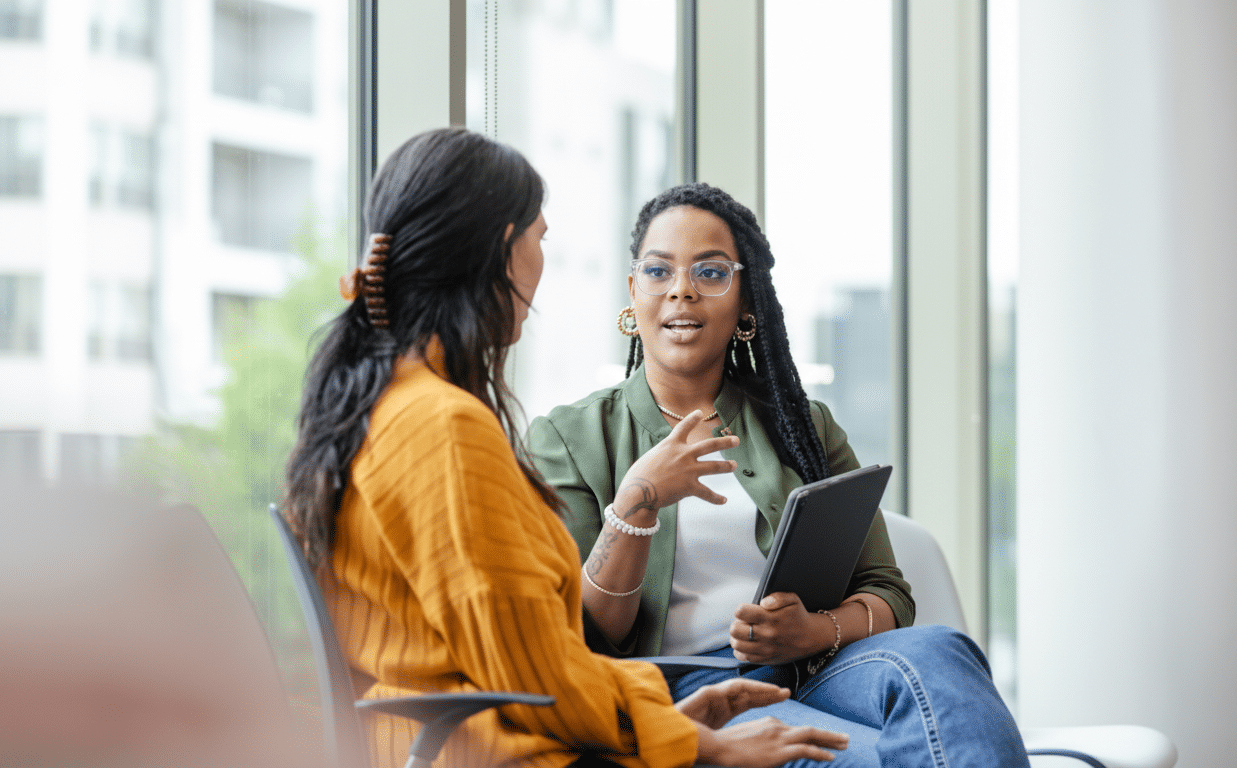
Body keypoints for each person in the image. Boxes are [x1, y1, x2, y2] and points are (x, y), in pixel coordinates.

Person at [280, 129, 850, 768]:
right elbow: (532, 679)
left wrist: (655, 715)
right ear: (504, 250)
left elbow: (529, 664)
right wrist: (698, 745)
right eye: (540, 239)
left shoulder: (387, 405)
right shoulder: (443, 430)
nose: (681, 291)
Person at [527, 182, 1031, 767]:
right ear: (634, 290)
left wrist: (810, 633)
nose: (682, 291)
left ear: (746, 301)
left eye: (711, 273)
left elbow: (889, 593)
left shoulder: (801, 424)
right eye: (659, 271)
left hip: (821, 665)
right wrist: (640, 499)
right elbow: (589, 635)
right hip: (692, 688)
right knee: (878, 759)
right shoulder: (568, 437)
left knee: (944, 648)